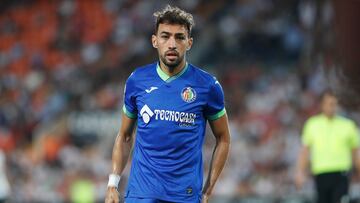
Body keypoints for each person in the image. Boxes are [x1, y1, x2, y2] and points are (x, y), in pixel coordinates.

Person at [105, 5, 230, 203]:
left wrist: (209, 188)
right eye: (165, 36)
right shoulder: (137, 80)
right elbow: (125, 136)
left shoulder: (208, 86)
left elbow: (223, 137)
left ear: (189, 43)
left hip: (185, 195)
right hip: (141, 194)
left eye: (179, 37)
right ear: (155, 41)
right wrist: (113, 183)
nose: (172, 43)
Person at [295, 90, 360, 203]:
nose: (332, 107)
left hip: (341, 173)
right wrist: (300, 172)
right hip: (321, 173)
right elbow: (305, 151)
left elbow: (356, 152)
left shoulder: (348, 125)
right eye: (329, 104)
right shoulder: (312, 124)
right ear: (322, 105)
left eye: (334, 104)